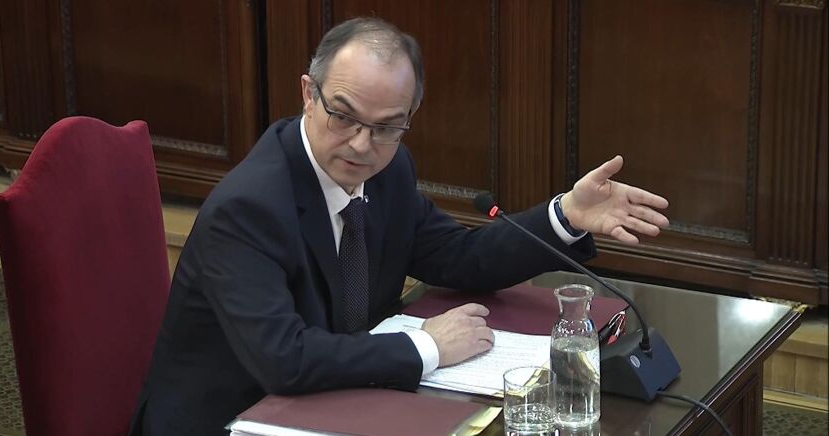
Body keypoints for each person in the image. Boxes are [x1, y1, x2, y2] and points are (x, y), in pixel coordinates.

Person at [129, 17, 669, 436]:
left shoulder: (388, 172)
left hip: (336, 404)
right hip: (232, 419)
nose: (362, 145)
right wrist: (426, 347)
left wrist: (566, 215)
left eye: (387, 128)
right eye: (343, 116)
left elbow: (458, 258)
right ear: (308, 94)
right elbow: (283, 358)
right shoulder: (248, 208)